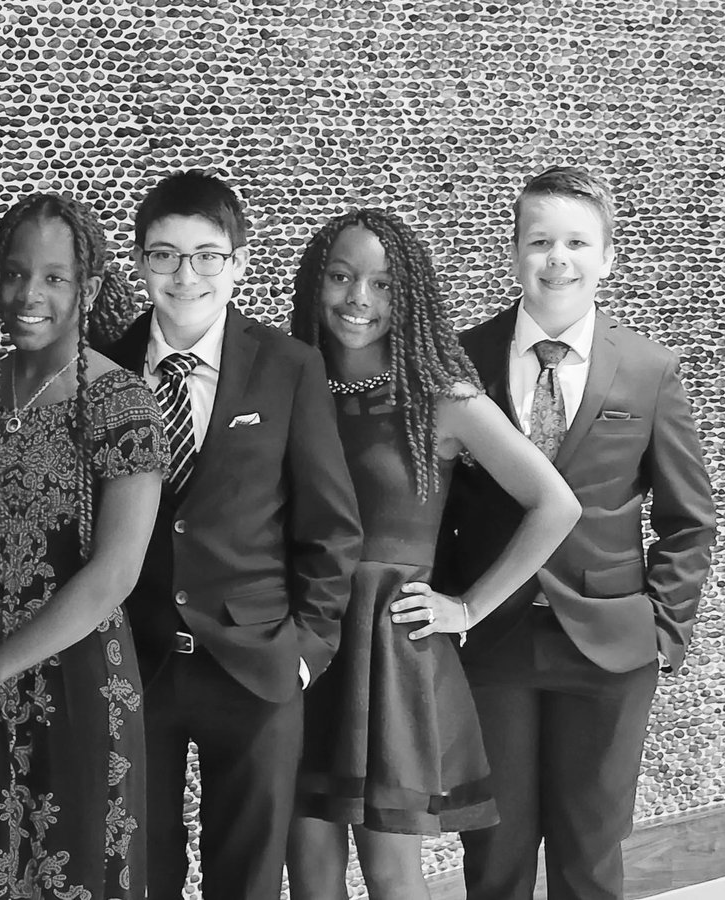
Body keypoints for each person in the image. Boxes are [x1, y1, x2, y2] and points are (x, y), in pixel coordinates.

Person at [283, 208, 581, 900]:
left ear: (410, 294)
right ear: (313, 282)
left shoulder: (440, 399)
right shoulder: (288, 384)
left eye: (384, 284)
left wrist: (468, 605)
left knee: (392, 873)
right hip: (301, 638)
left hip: (389, 658)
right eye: (341, 276)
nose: (359, 299)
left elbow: (555, 504)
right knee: (310, 872)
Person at [436, 166, 716, 900]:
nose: (557, 258)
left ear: (607, 258)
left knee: (590, 853)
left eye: (576, 242)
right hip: (492, 643)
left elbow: (690, 520)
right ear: (514, 253)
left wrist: (665, 628)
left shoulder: (651, 372)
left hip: (610, 650)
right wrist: (443, 608)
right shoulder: (461, 361)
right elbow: (433, 505)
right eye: (539, 240)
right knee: (492, 852)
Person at [105, 170, 364, 900]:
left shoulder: (288, 366)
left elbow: (331, 526)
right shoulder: (104, 366)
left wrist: (307, 653)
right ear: (140, 261)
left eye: (207, 255)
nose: (186, 276)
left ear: (239, 263)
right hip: (136, 664)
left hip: (257, 666)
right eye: (165, 255)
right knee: (139, 867)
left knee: (246, 876)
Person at [0, 193, 168, 900]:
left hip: (78, 688)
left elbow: (114, 574)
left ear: (90, 287)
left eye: (53, 278)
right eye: (15, 273)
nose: (28, 294)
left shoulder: (122, 403)